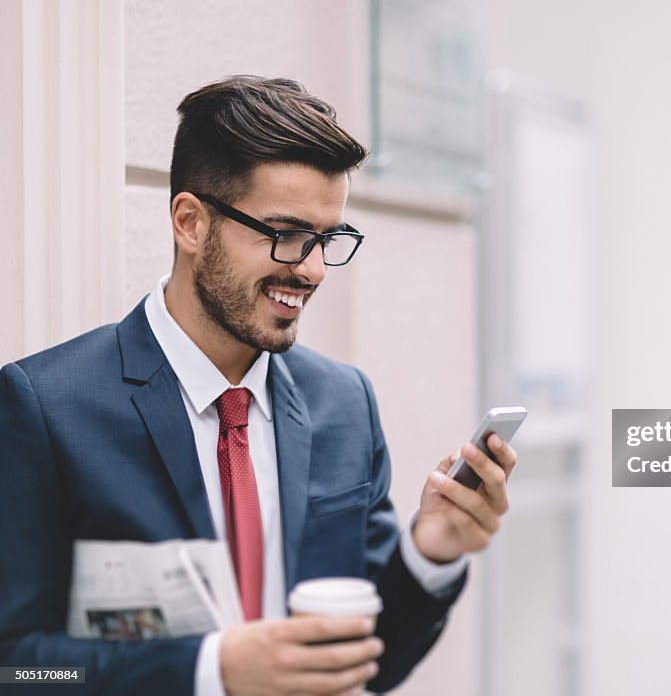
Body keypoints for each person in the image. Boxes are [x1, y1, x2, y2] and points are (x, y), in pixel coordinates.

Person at [0, 76, 516, 696]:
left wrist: (431, 554)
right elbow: (18, 667)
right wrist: (210, 670)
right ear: (190, 223)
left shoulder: (344, 402)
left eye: (329, 239)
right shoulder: (46, 406)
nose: (313, 269)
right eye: (287, 234)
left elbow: (369, 664)